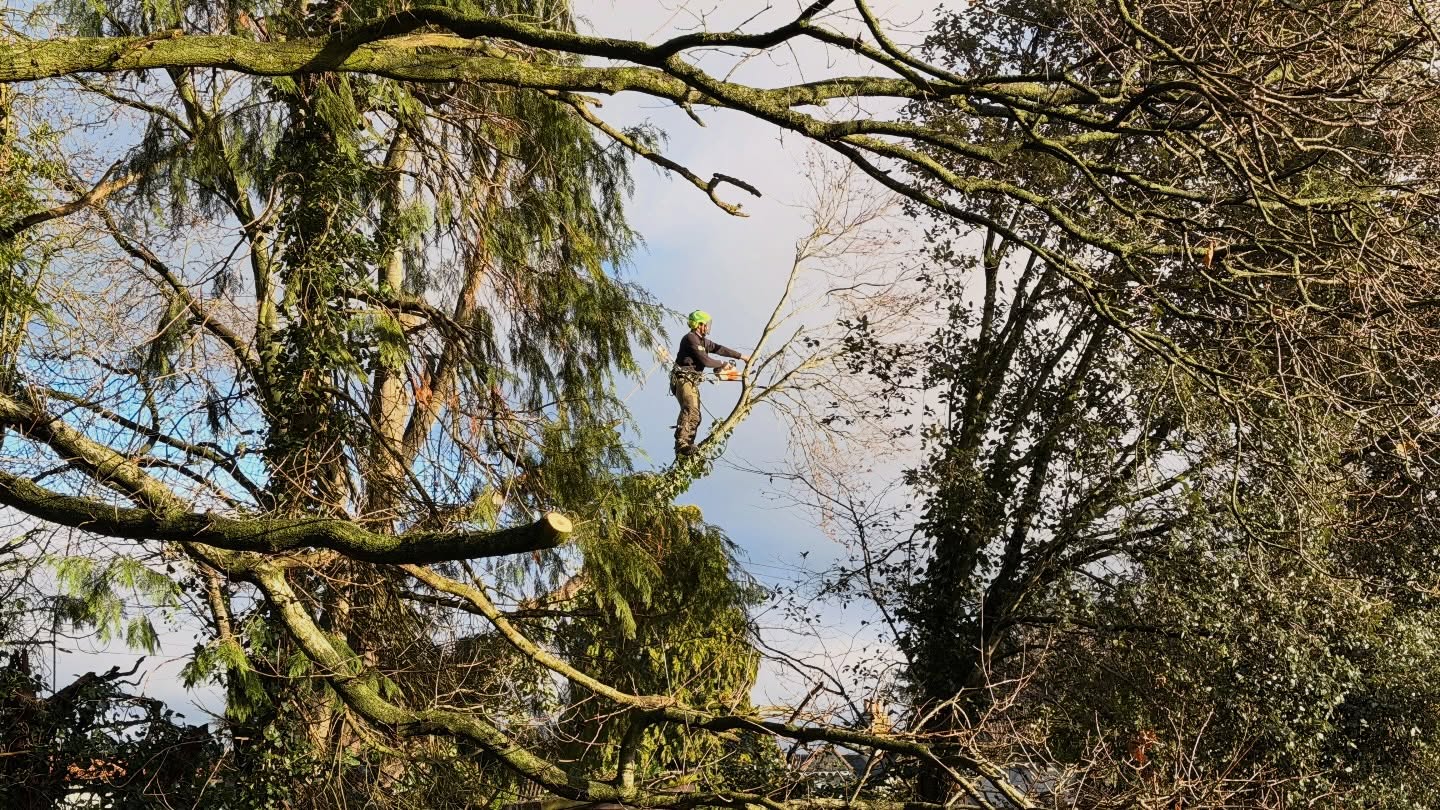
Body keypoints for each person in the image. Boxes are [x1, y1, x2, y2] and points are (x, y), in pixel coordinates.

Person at [671, 310, 749, 456]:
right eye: (706, 324)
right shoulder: (690, 338)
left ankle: (688, 447)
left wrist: (741, 356)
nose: (708, 327)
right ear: (700, 324)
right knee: (691, 409)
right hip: (683, 379)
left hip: (691, 382)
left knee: (696, 415)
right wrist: (722, 364)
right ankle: (681, 444)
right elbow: (705, 361)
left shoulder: (703, 342)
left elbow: (720, 349)